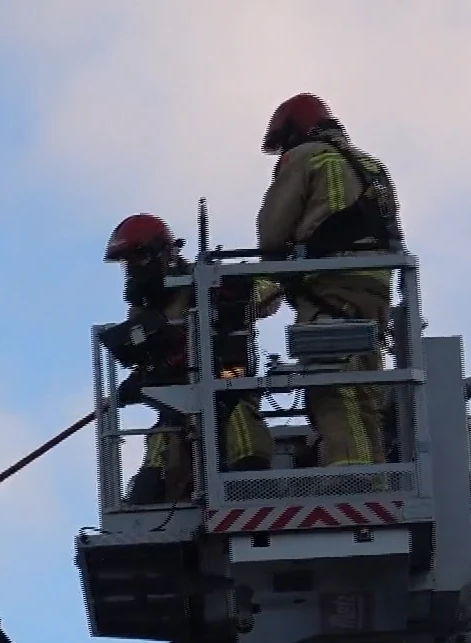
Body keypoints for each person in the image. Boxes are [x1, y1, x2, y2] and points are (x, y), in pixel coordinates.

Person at [256, 92, 403, 470]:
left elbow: (271, 235)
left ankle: (354, 484)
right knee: (365, 392)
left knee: (333, 392)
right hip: (376, 292)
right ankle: (375, 481)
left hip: (331, 290)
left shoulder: (304, 157)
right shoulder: (372, 166)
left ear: (293, 134)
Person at [99, 213, 272, 504]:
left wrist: (234, 297)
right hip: (177, 405)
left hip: (227, 386)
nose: (131, 269)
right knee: (158, 459)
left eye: (135, 258)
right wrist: (135, 382)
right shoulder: (144, 308)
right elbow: (149, 356)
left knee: (238, 424)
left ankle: (250, 489)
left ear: (162, 253)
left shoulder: (206, 284)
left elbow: (268, 290)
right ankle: (149, 497)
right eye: (125, 262)